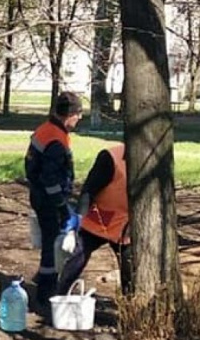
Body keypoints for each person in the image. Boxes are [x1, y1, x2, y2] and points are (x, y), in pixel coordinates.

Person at [24, 91, 83, 309]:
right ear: (70, 115)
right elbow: (50, 178)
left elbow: (32, 168)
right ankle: (45, 291)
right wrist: (62, 207)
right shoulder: (56, 140)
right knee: (52, 244)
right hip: (49, 199)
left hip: (39, 195)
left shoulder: (45, 130)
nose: (79, 119)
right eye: (79, 114)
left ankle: (43, 278)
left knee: (51, 240)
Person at [57, 144, 133, 296]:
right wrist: (74, 227)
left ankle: (130, 309)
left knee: (130, 270)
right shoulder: (111, 158)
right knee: (76, 257)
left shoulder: (153, 161)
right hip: (95, 221)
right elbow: (88, 191)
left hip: (125, 228)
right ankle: (59, 298)